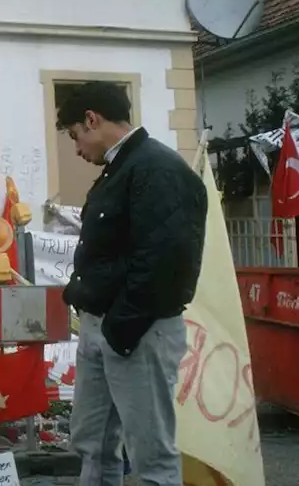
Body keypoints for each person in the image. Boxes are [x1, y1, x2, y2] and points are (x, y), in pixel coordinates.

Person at [56, 82, 207, 486]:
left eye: (75, 136)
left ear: (92, 119)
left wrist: (118, 329)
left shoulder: (156, 168)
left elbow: (167, 262)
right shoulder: (124, 168)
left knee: (151, 456)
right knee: (94, 446)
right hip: (109, 327)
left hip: (137, 331)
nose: (76, 148)